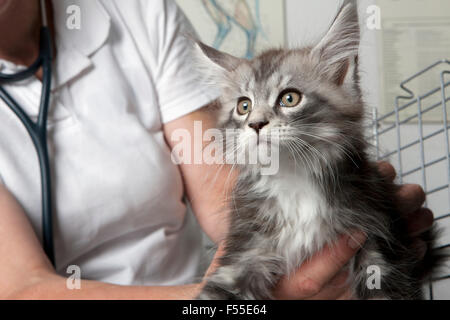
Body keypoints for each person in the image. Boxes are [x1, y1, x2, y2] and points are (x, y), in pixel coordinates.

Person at [0, 0, 434, 299]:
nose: (258, 120)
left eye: (285, 99)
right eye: (244, 108)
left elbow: (220, 192)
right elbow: (21, 287)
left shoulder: (136, 11)